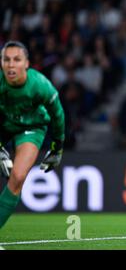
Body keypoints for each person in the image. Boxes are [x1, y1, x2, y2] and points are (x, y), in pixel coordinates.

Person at [0, 41, 65, 230]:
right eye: (6, 60)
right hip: (3, 124)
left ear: (27, 63)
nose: (11, 65)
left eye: (17, 60)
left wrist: (57, 148)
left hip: (31, 127)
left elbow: (58, 115)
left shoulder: (40, 86)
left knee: (18, 177)